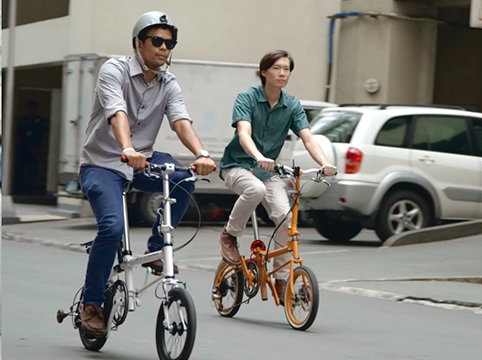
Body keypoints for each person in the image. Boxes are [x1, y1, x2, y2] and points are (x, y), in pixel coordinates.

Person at [77, 11, 215, 335]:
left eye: (170, 42)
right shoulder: (115, 69)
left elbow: (181, 120)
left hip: (144, 161)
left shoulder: (169, 82)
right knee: (111, 228)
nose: (164, 48)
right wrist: (126, 148)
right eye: (157, 41)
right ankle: (91, 303)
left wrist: (202, 153)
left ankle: (155, 251)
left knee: (183, 179)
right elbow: (117, 112)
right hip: (103, 163)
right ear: (139, 43)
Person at [218, 50, 337, 304]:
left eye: (286, 69)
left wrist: (325, 162)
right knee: (255, 190)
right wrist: (258, 155)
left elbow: (307, 137)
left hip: (268, 171)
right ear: (264, 72)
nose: (282, 73)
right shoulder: (247, 98)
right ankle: (230, 234)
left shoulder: (291, 104)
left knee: (286, 219)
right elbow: (243, 133)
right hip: (237, 165)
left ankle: (282, 279)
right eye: (276, 68)